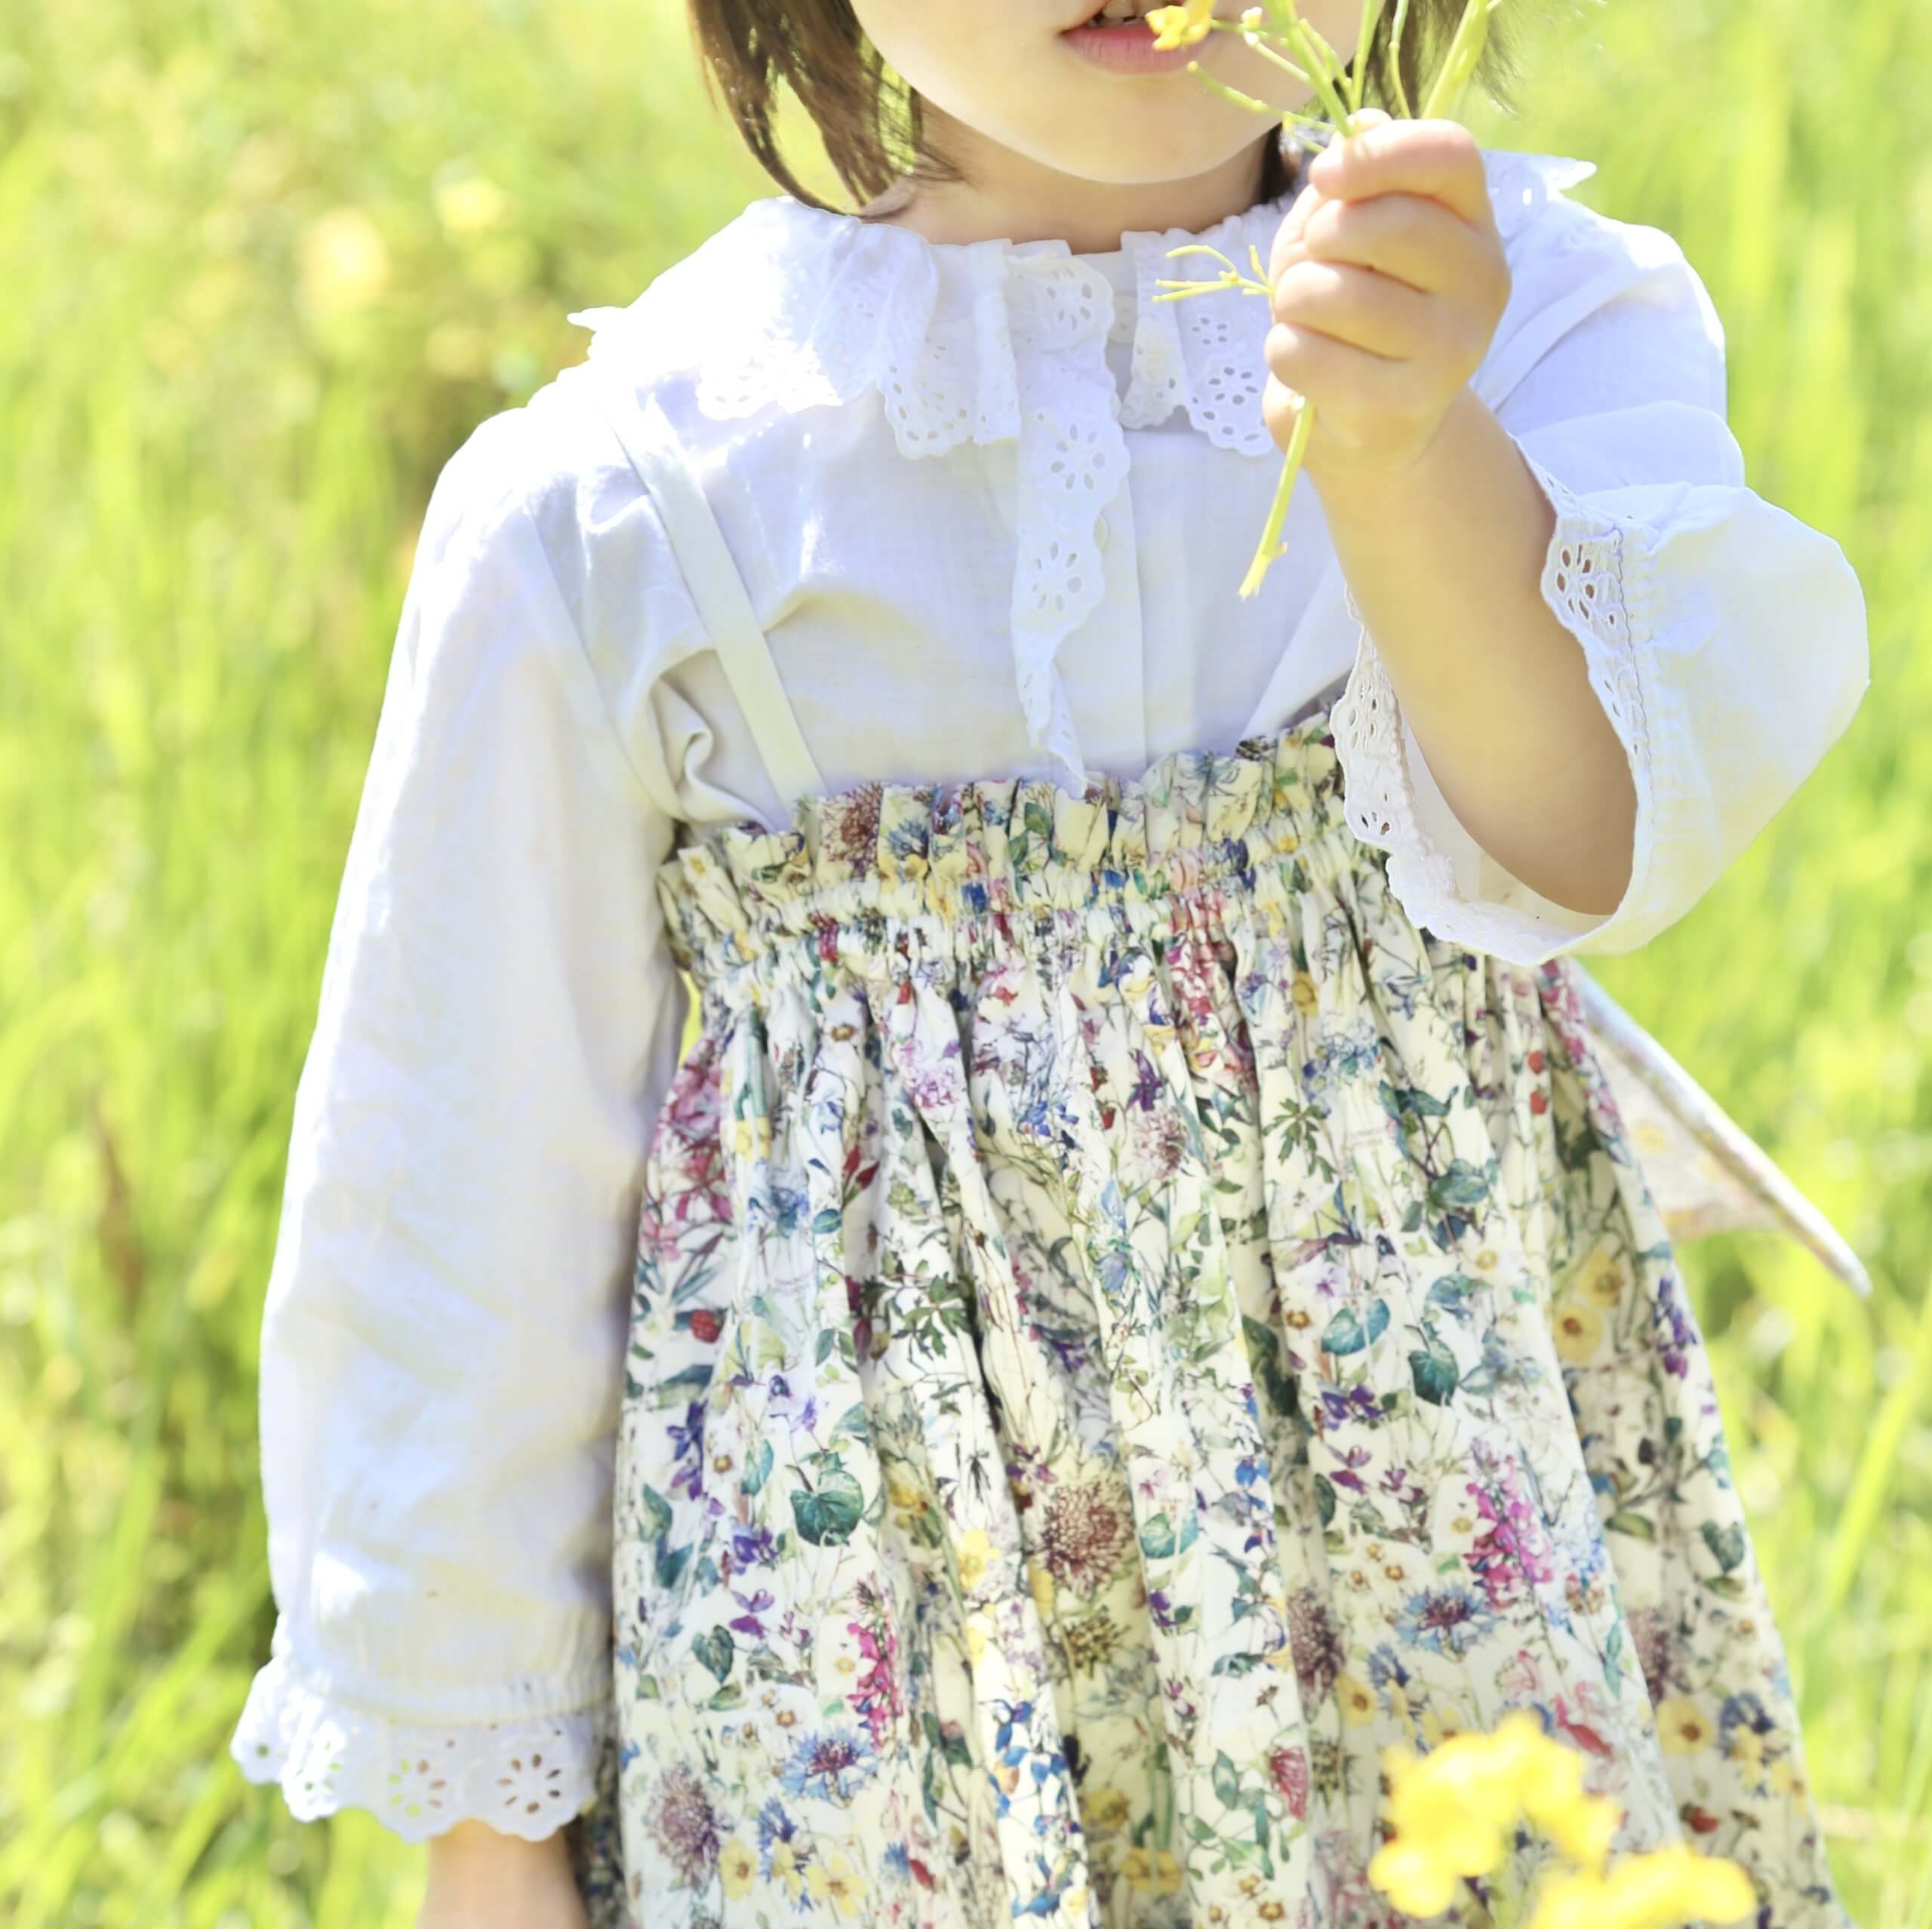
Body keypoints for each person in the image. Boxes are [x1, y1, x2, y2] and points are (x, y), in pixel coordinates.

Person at [228, 0, 1869, 1922]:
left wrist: (1403, 451)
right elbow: (459, 1215)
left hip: (1413, 1579)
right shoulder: (633, 510)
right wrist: (490, 1840)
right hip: (887, 1655)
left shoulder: (1534, 327)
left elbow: (1583, 833)